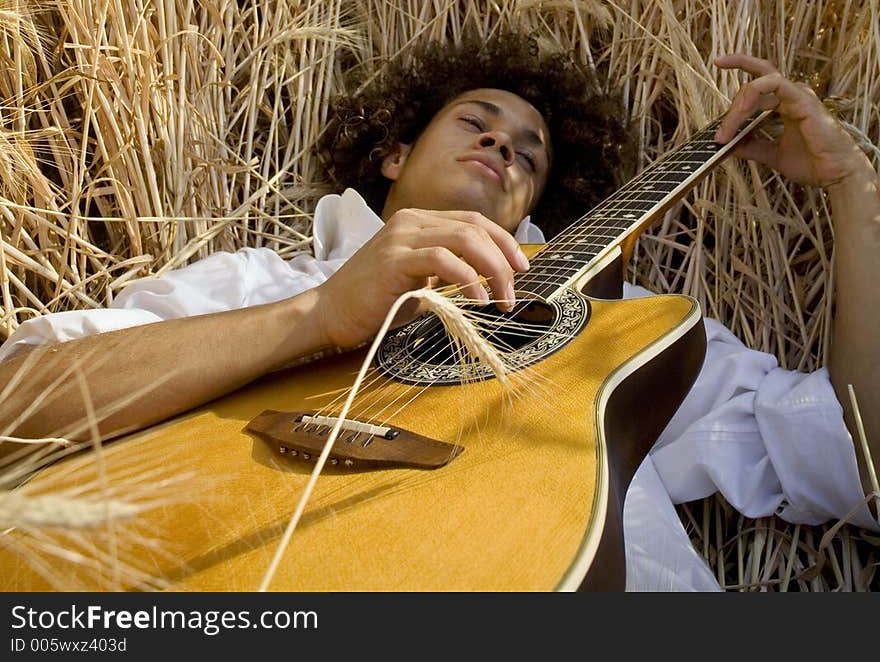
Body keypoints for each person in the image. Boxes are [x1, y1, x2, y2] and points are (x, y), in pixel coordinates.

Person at [0, 30, 877, 592]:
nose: (504, 144)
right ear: (390, 154)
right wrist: (314, 316)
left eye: (531, 151)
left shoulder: (630, 333)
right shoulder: (253, 284)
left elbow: (857, 464)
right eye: (477, 122)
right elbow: (16, 409)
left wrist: (853, 190)